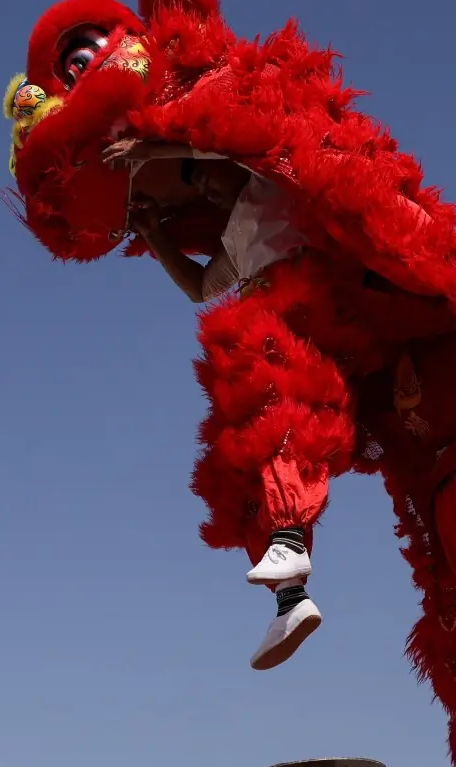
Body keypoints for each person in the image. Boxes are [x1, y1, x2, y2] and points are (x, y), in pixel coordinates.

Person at [104, 140, 320, 669]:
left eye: (201, 172)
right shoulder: (233, 236)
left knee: (286, 431)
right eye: (192, 178)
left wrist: (149, 148)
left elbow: (237, 135)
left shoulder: (274, 186)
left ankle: (290, 537)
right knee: (240, 467)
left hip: (303, 329)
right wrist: (155, 235)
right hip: (258, 342)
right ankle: (290, 600)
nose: (199, 184)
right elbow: (202, 286)